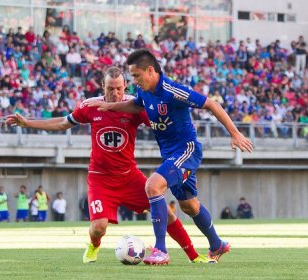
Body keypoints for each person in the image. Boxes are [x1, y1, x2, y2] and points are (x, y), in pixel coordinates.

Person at [6, 66, 213, 265]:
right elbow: (63, 123)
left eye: (119, 89)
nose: (115, 93)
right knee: (99, 227)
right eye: (110, 89)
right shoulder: (89, 106)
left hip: (129, 175)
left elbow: (163, 122)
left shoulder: (135, 107)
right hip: (100, 178)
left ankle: (193, 255)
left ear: (126, 88)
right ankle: (94, 245)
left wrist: (183, 145)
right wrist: (29, 123)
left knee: (166, 214)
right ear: (102, 87)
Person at [86, 49, 253, 264]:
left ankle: (160, 250)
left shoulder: (172, 90)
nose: (134, 81)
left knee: (152, 186)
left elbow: (211, 104)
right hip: (170, 155)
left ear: (150, 71)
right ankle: (217, 244)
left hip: (186, 150)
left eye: (136, 76)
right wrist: (110, 106)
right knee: (189, 206)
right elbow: (136, 105)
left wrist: (234, 132)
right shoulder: (144, 91)